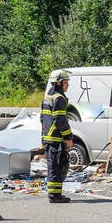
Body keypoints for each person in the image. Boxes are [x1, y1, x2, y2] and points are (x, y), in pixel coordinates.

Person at [41, 69, 74, 203]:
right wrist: (69, 137)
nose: (67, 85)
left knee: (52, 166)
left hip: (48, 136)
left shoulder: (48, 97)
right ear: (59, 83)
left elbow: (42, 118)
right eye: (66, 82)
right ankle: (55, 196)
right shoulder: (59, 98)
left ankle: (54, 194)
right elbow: (60, 120)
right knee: (55, 167)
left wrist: (42, 137)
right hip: (55, 137)